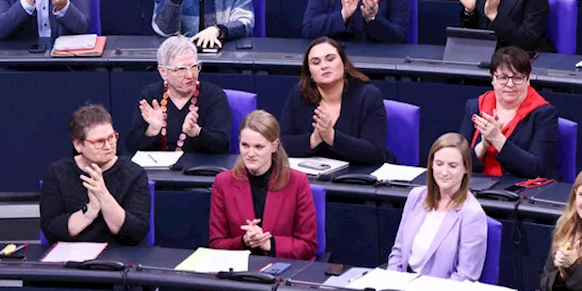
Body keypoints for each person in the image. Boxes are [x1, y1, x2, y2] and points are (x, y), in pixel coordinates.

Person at [209, 110, 318, 259]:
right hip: (240, 271)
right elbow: (216, 244)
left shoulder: (297, 182)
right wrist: (244, 241)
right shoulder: (223, 182)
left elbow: (307, 246)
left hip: (282, 268)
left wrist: (270, 243)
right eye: (245, 145)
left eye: (259, 147)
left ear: (274, 146)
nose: (250, 153)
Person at [39, 104, 150, 245]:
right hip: (72, 256)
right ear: (78, 145)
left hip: (120, 257)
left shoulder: (134, 174)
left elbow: (136, 233)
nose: (109, 146)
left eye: (111, 137)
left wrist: (104, 196)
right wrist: (90, 212)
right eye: (99, 142)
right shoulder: (57, 173)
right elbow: (51, 230)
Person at [387, 133, 488, 278]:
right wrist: (391, 282)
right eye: (439, 164)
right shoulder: (416, 196)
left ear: (466, 169)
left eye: (452, 166)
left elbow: (465, 277)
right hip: (402, 288)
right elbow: (398, 252)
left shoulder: (472, 214)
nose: (444, 172)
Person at [278, 37, 390, 164]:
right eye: (316, 62)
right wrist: (313, 140)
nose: (324, 66)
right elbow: (282, 144)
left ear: (344, 63)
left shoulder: (368, 96)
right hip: (314, 177)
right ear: (310, 73)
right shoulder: (299, 94)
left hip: (358, 177)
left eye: (330, 59)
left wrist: (331, 137)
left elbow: (375, 152)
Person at [459, 46, 558, 178]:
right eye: (503, 77)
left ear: (528, 79)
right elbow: (458, 161)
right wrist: (483, 146)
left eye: (517, 78)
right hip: (476, 185)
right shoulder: (475, 106)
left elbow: (537, 169)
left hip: (519, 190)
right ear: (492, 77)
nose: (510, 84)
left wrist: (498, 139)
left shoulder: (544, 113)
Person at [126, 37, 231, 155]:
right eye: (181, 69)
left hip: (199, 170)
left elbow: (223, 146)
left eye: (194, 67)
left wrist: (197, 132)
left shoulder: (214, 96)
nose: (190, 75)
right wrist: (152, 130)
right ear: (163, 72)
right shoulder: (151, 95)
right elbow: (131, 146)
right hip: (158, 172)